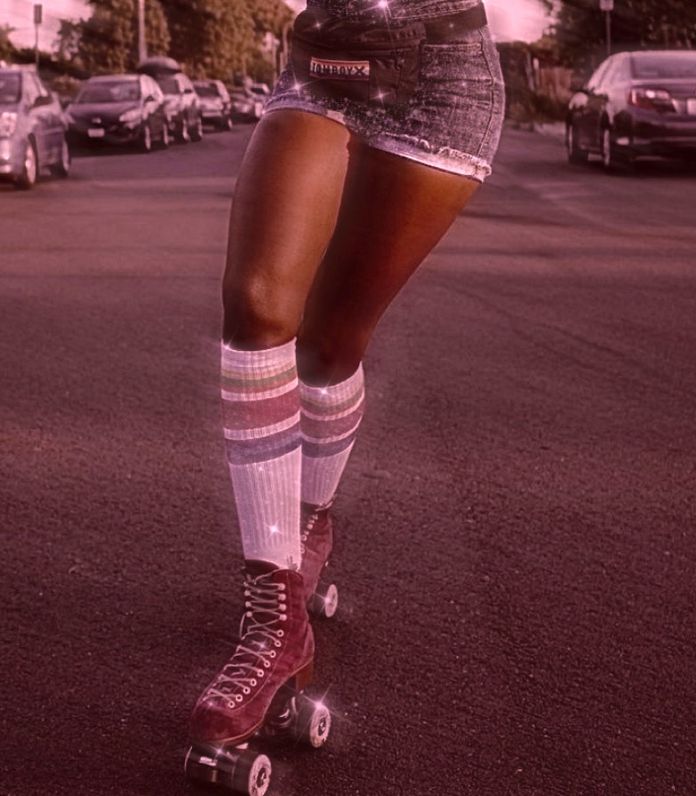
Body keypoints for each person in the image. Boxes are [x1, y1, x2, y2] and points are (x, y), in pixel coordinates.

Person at [188, 0, 505, 752]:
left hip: (443, 76)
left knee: (332, 341)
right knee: (258, 304)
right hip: (322, 62)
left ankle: (307, 521)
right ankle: (275, 621)